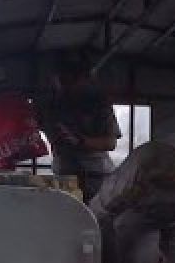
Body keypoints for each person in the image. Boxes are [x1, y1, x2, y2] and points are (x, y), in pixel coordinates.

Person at [40, 53, 121, 200]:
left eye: (71, 79)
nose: (64, 84)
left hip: (96, 176)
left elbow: (110, 143)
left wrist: (80, 140)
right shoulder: (50, 107)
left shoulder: (99, 105)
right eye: (61, 79)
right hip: (65, 176)